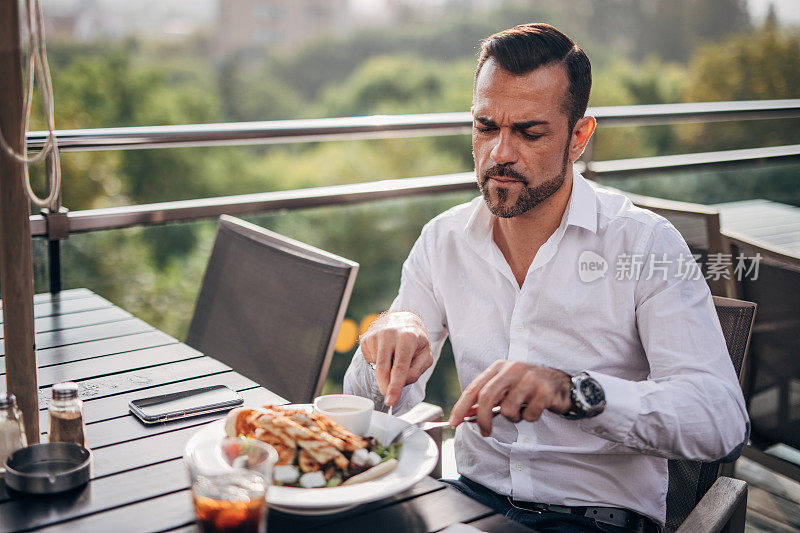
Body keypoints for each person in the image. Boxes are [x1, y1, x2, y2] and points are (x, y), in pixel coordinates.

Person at [343, 23, 749, 532]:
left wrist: (572, 391)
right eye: (486, 127)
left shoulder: (644, 244)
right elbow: (368, 404)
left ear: (578, 137)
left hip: (597, 520)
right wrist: (386, 336)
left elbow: (722, 421)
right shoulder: (442, 239)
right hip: (470, 501)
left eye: (529, 133)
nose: (500, 154)